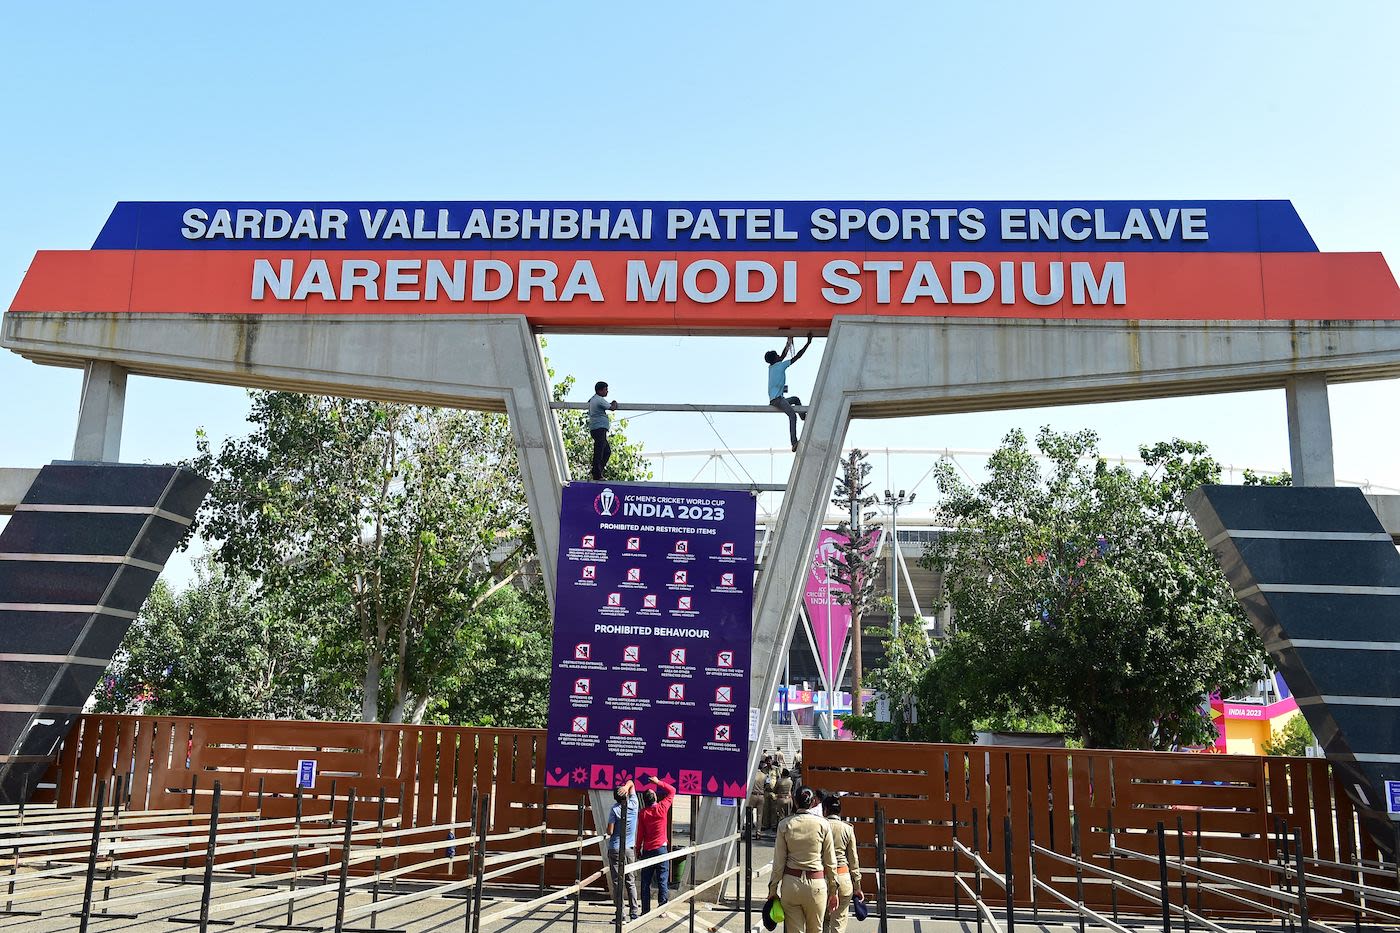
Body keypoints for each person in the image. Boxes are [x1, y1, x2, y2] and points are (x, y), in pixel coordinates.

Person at [768, 786, 839, 933]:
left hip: (791, 884)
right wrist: (833, 890)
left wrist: (773, 888)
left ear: (794, 801)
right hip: (816, 884)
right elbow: (830, 862)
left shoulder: (785, 825)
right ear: (813, 802)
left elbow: (779, 862)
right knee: (816, 930)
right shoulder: (823, 824)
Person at [822, 795, 864, 933]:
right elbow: (854, 860)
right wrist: (857, 885)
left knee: (821, 922)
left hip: (822, 878)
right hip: (843, 877)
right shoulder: (848, 829)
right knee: (838, 924)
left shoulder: (820, 825)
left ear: (825, 810)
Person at [765, 334, 814, 452]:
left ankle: (804, 417)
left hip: (777, 399)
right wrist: (808, 343)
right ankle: (793, 442)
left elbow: (783, 354)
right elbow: (797, 356)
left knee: (796, 400)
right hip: (778, 400)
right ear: (776, 359)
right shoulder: (780, 366)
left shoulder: (772, 367)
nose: (779, 356)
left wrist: (789, 341)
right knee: (792, 415)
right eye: (777, 356)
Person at [636, 774, 676, 915]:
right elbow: (672, 790)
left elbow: (640, 834)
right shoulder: (662, 808)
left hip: (647, 850)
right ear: (655, 798)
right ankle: (662, 908)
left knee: (645, 882)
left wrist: (637, 849)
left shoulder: (643, 813)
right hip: (661, 849)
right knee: (662, 880)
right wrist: (658, 782)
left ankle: (645, 910)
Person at [606, 779, 641, 920]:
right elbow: (632, 782)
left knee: (617, 882)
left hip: (615, 848)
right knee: (630, 881)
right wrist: (627, 786)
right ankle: (634, 911)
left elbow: (609, 831)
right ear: (626, 794)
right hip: (629, 849)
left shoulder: (615, 809)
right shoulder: (634, 805)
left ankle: (620, 913)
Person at [588, 381, 619, 481]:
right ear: (600, 390)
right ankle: (597, 473)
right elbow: (612, 408)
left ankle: (598, 471)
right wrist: (614, 402)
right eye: (605, 389)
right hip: (599, 428)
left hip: (596, 428)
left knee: (606, 451)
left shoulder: (593, 399)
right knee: (599, 451)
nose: (607, 391)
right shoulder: (599, 399)